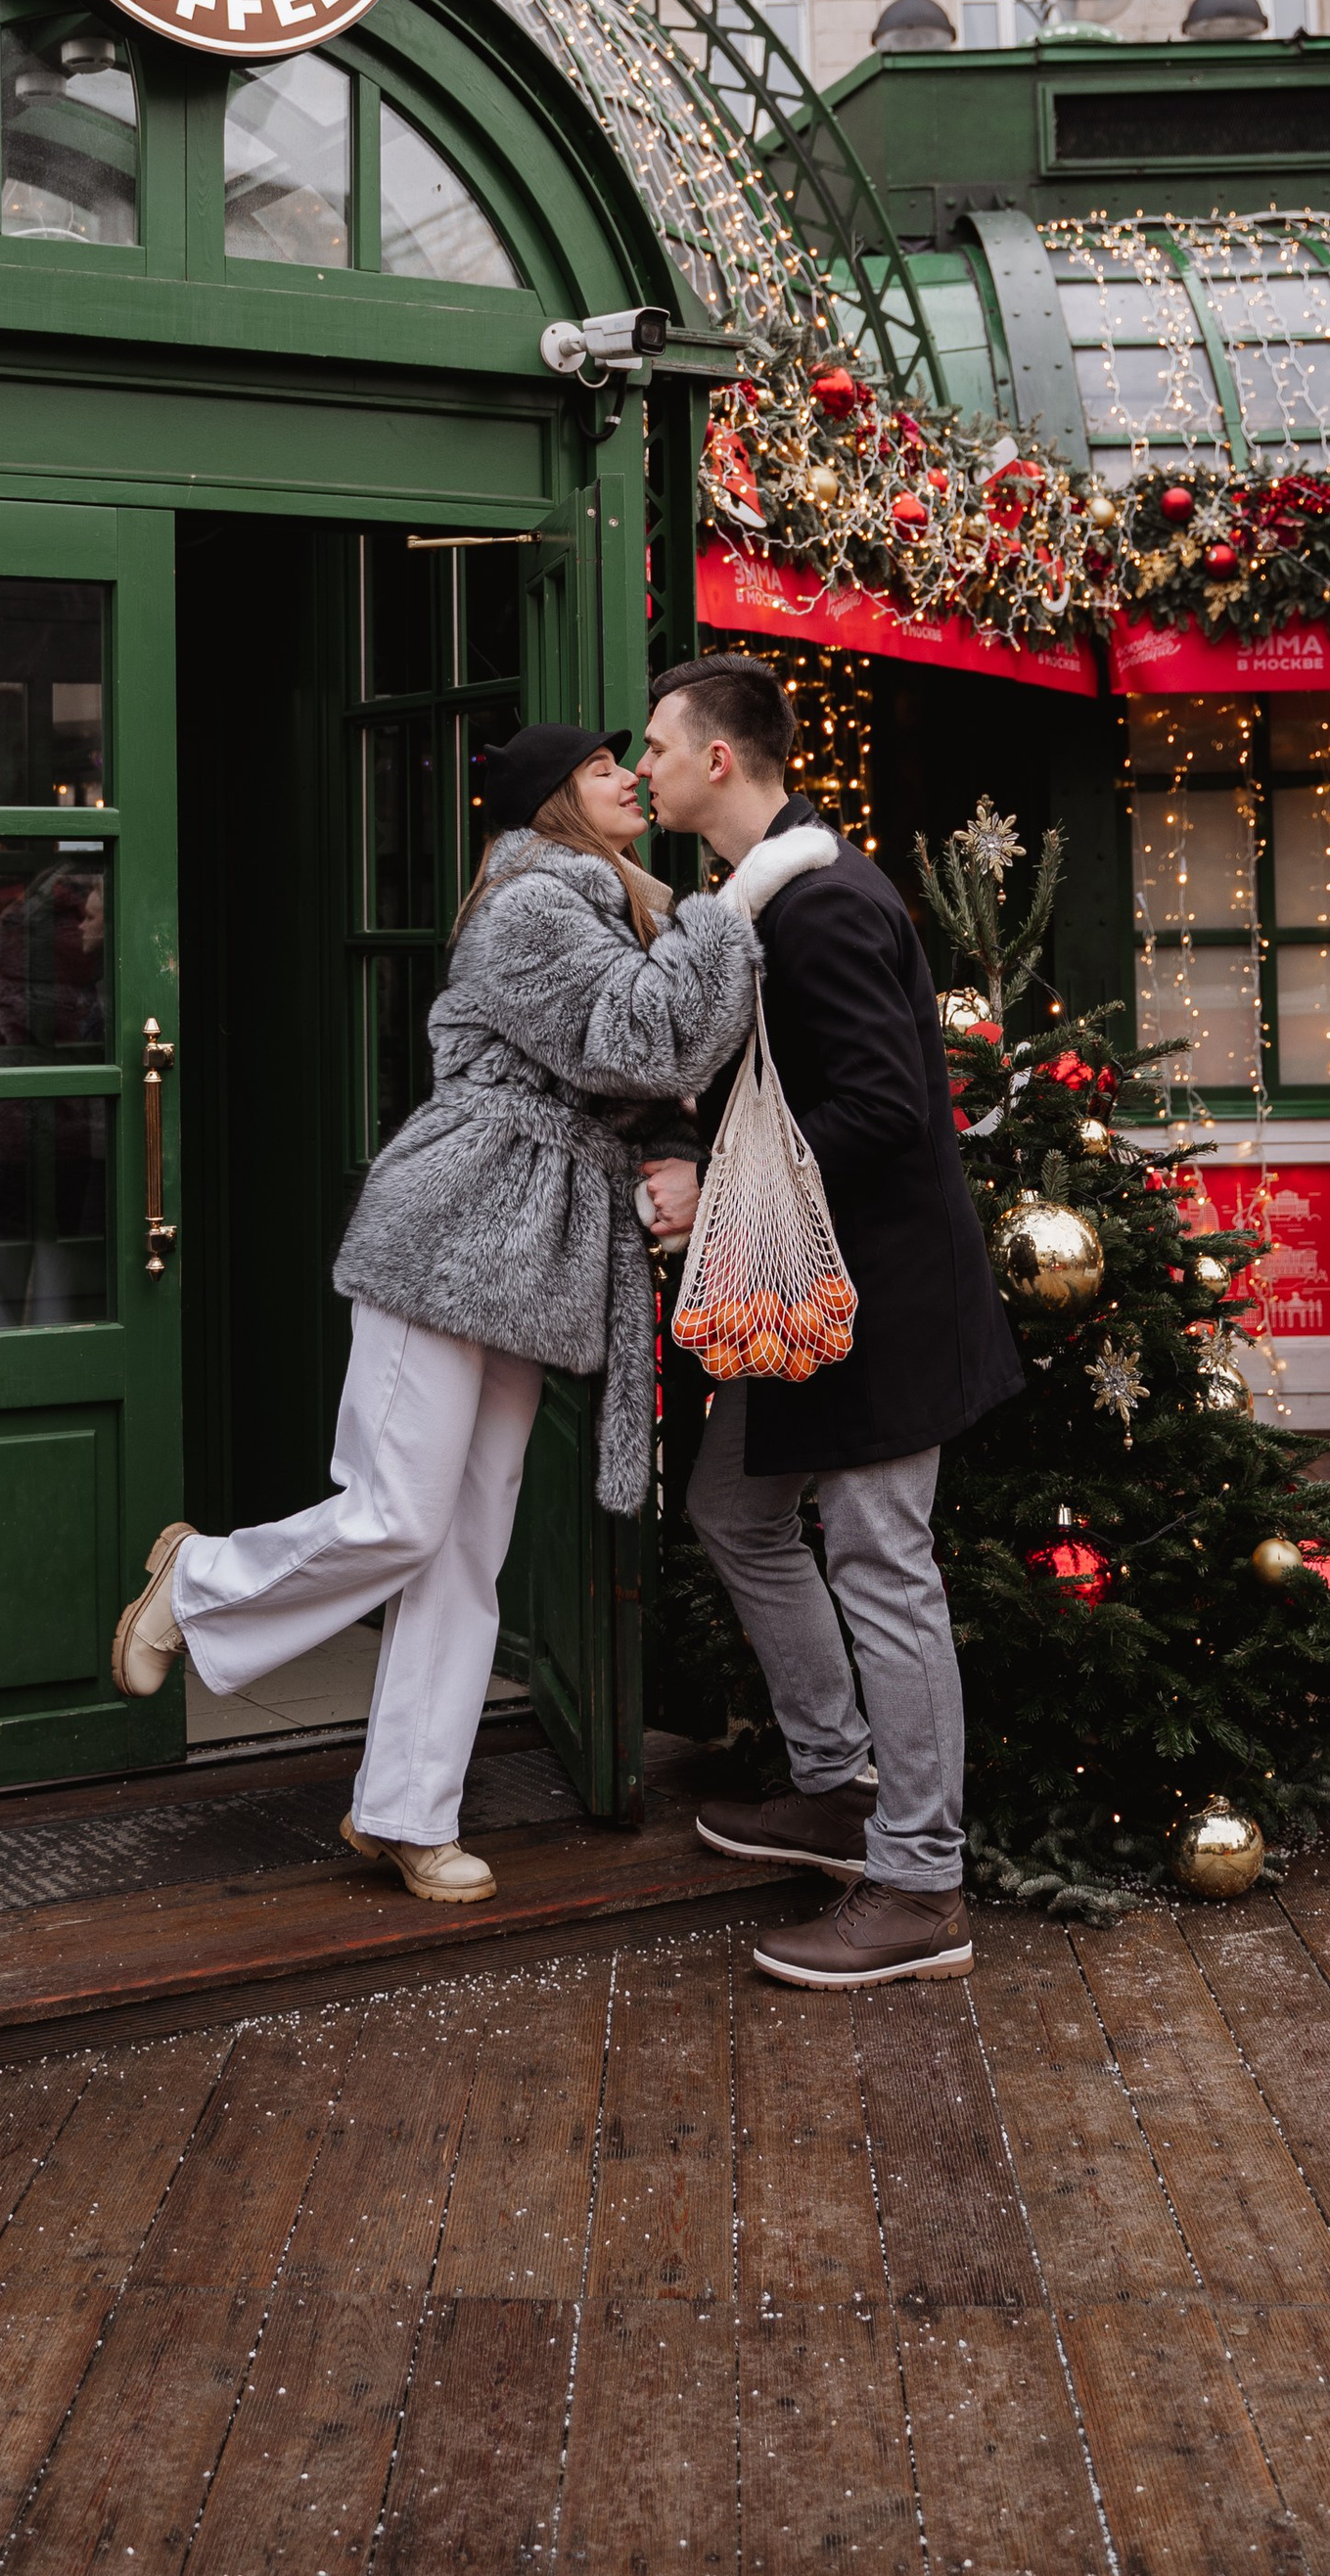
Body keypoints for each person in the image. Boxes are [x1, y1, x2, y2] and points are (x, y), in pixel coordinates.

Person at [108, 719, 831, 1902]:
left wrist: (666, 1147)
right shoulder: (531, 901)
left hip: (539, 1254)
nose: (631, 779)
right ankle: (196, 1583)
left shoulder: (620, 904)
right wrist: (743, 894)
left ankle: (406, 1810)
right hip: (450, 1232)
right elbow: (639, 1036)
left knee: (464, 1544)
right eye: (605, 768)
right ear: (553, 797)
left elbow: (668, 1059)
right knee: (397, 1515)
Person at [637, 654, 1023, 1990]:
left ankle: (921, 1887)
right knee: (737, 1512)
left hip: (880, 1302)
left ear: (721, 763)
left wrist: (714, 1180)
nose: (644, 769)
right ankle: (835, 1787)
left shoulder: (826, 906)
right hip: (801, 1293)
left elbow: (885, 1112)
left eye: (659, 747)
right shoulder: (761, 900)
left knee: (883, 1563)